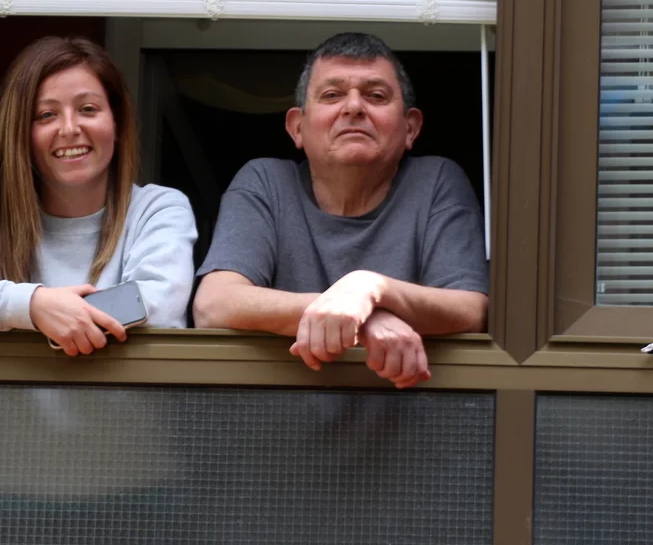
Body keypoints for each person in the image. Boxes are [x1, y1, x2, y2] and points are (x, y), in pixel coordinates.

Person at [193, 32, 488, 388]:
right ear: (297, 127)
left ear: (410, 128)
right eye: (332, 95)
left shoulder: (436, 180)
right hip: (279, 418)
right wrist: (364, 316)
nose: (353, 107)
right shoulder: (266, 182)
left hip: (410, 417)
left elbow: (470, 310)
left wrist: (370, 287)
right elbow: (213, 305)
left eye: (376, 96)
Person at [0, 36, 198, 355]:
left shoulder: (157, 209)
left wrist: (56, 314)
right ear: (21, 133)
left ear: (116, 124)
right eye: (47, 115)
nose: (69, 128)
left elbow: (158, 306)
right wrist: (30, 305)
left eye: (88, 109)